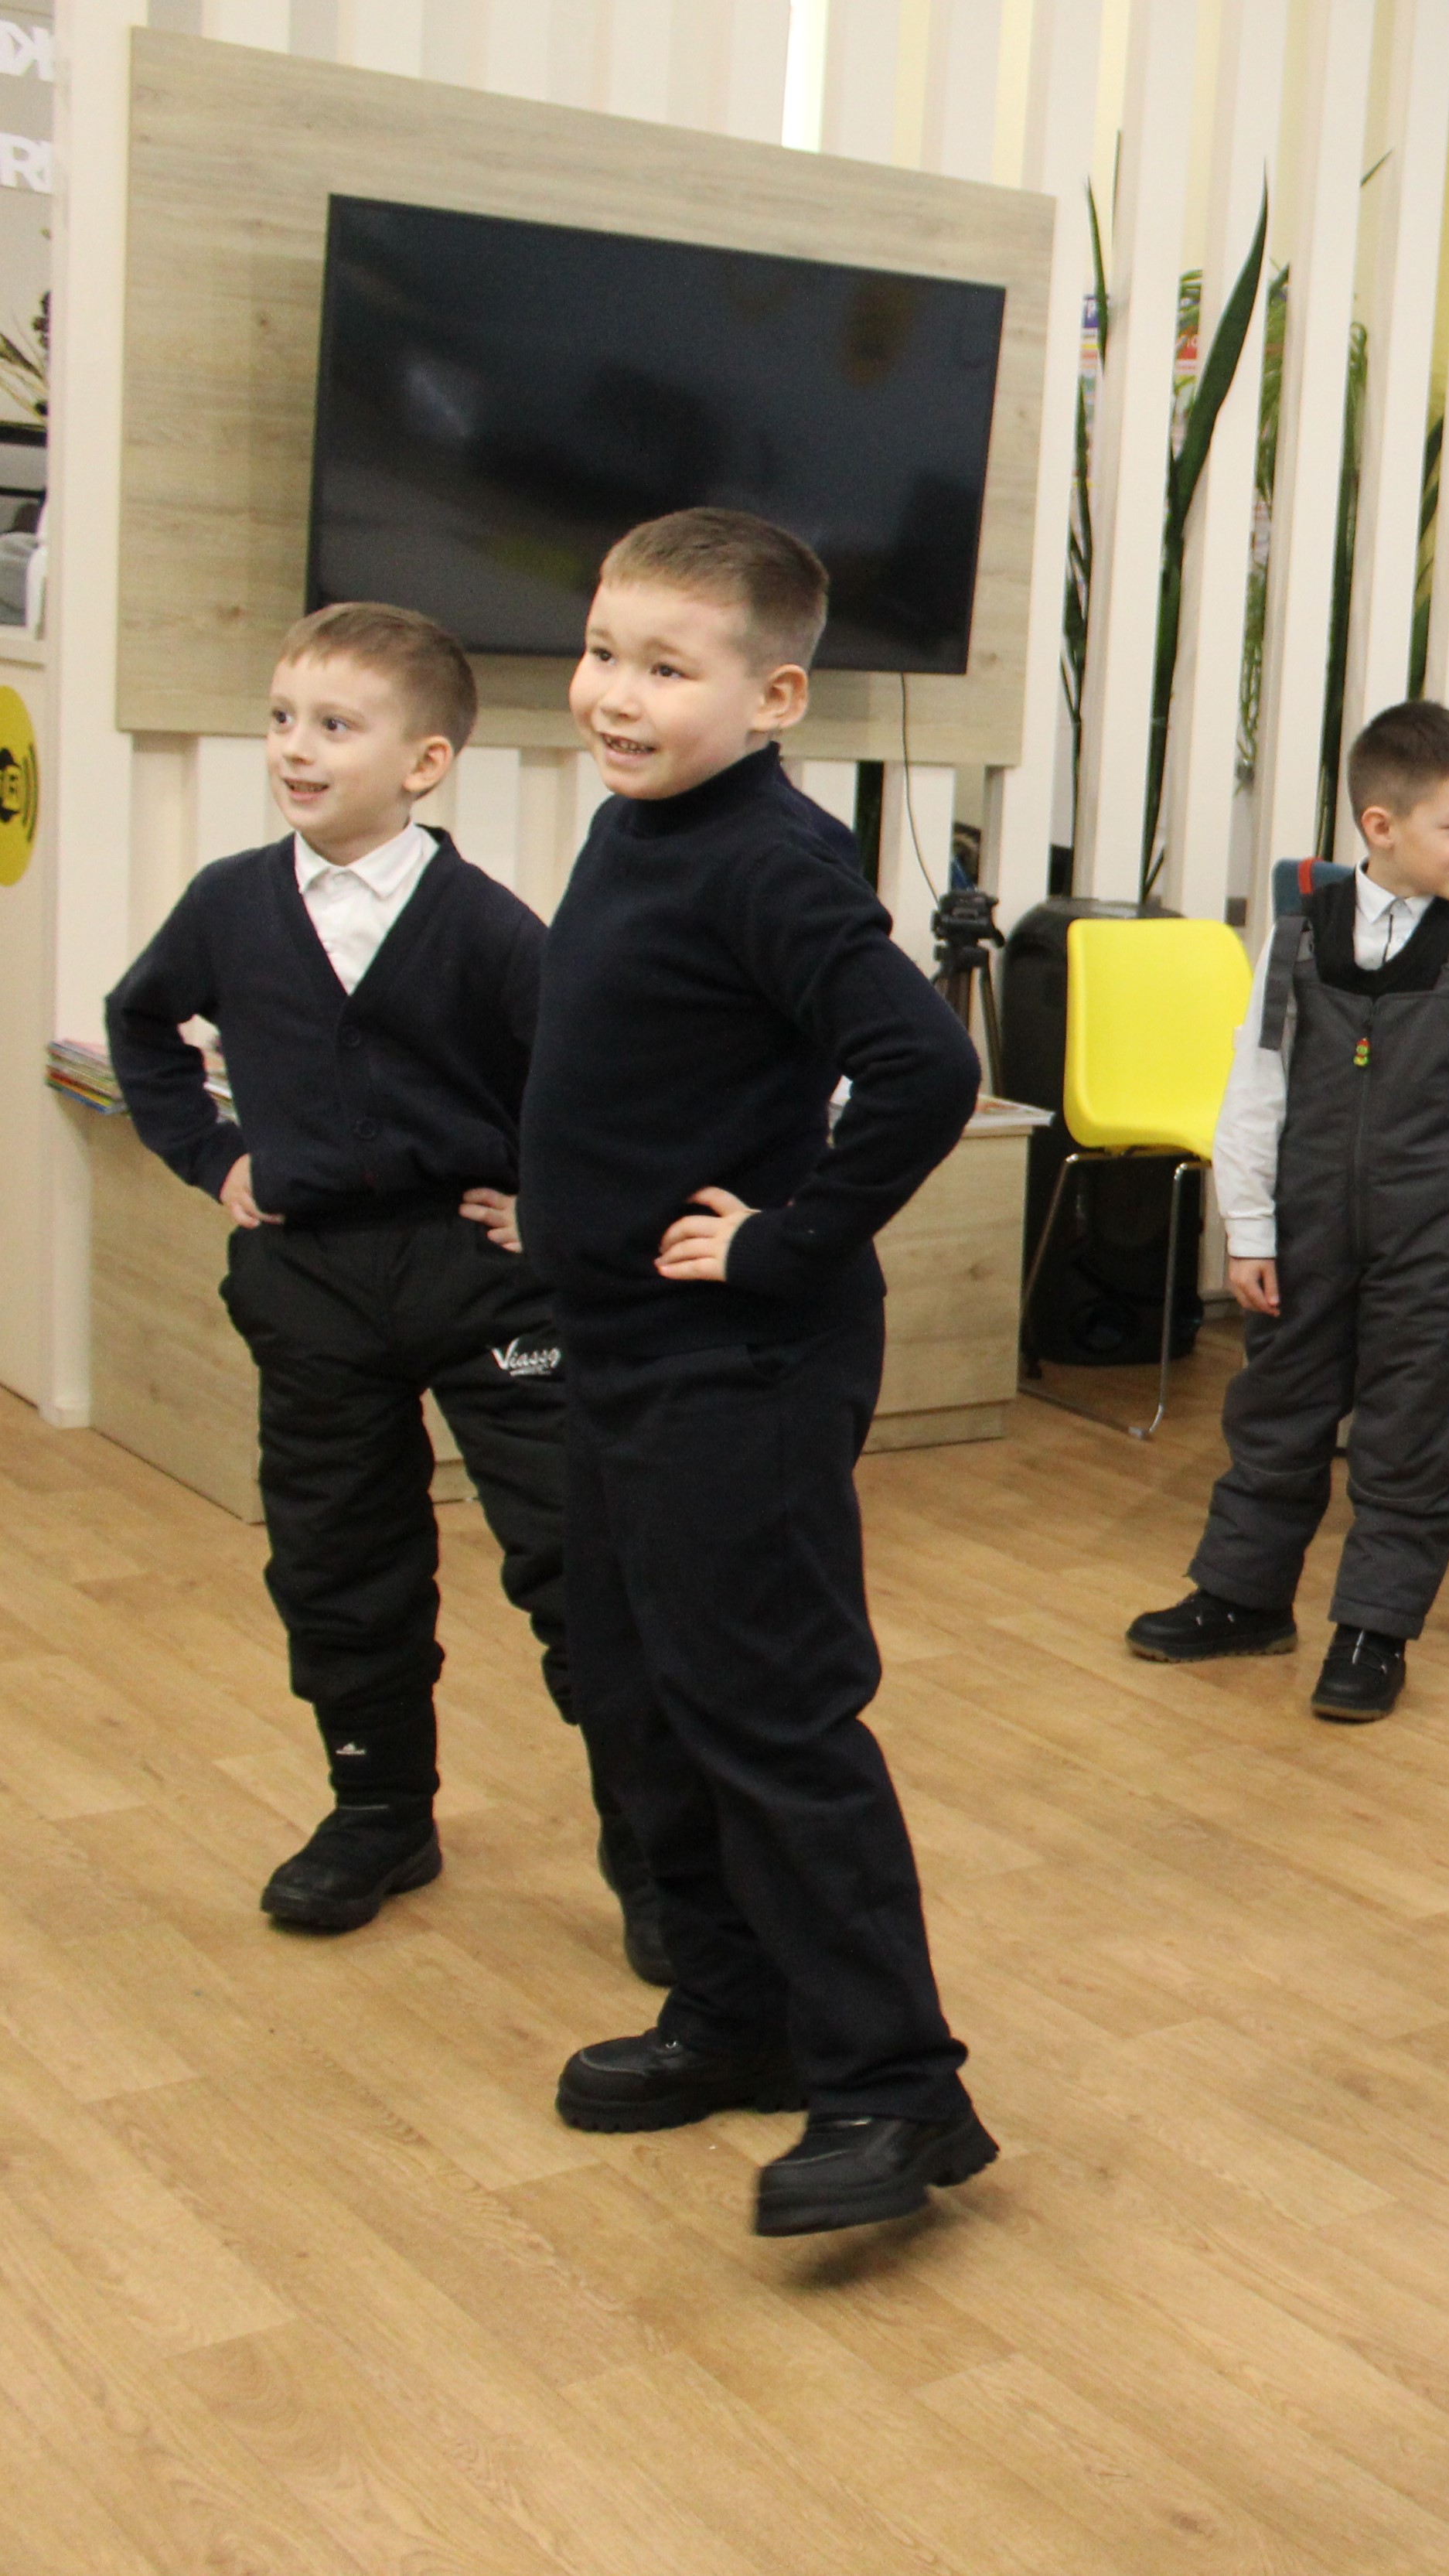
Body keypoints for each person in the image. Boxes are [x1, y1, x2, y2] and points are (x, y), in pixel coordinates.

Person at [522, 508, 996, 2238]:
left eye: (667, 668)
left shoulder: (771, 858)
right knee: (640, 1695)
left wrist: (787, 1239)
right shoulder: (637, 825)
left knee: (769, 1712)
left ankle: (898, 2088)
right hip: (619, 1348)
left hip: (738, 1360)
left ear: (775, 696)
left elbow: (924, 1064)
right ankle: (737, 2013)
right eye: (604, 652)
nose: (615, 694)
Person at [101, 603, 657, 1970]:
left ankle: (659, 1855)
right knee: (336, 1555)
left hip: (482, 1282)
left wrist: (547, 1208)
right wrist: (214, 1157)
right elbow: (141, 1023)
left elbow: (586, 1085)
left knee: (576, 1556)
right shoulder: (230, 903)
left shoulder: (489, 926)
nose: (296, 748)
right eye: (283, 718)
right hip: (312, 1282)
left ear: (424, 762)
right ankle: (378, 1811)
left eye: (335, 726)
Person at [1123, 698, 1449, 1722]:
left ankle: (1372, 1630)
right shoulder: (1298, 938)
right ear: (1379, 824)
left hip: (1430, 1244)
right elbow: (1254, 1086)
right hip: (1305, 1230)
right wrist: (1249, 1227)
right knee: (1275, 1417)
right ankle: (1243, 1597)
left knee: (1406, 1440)